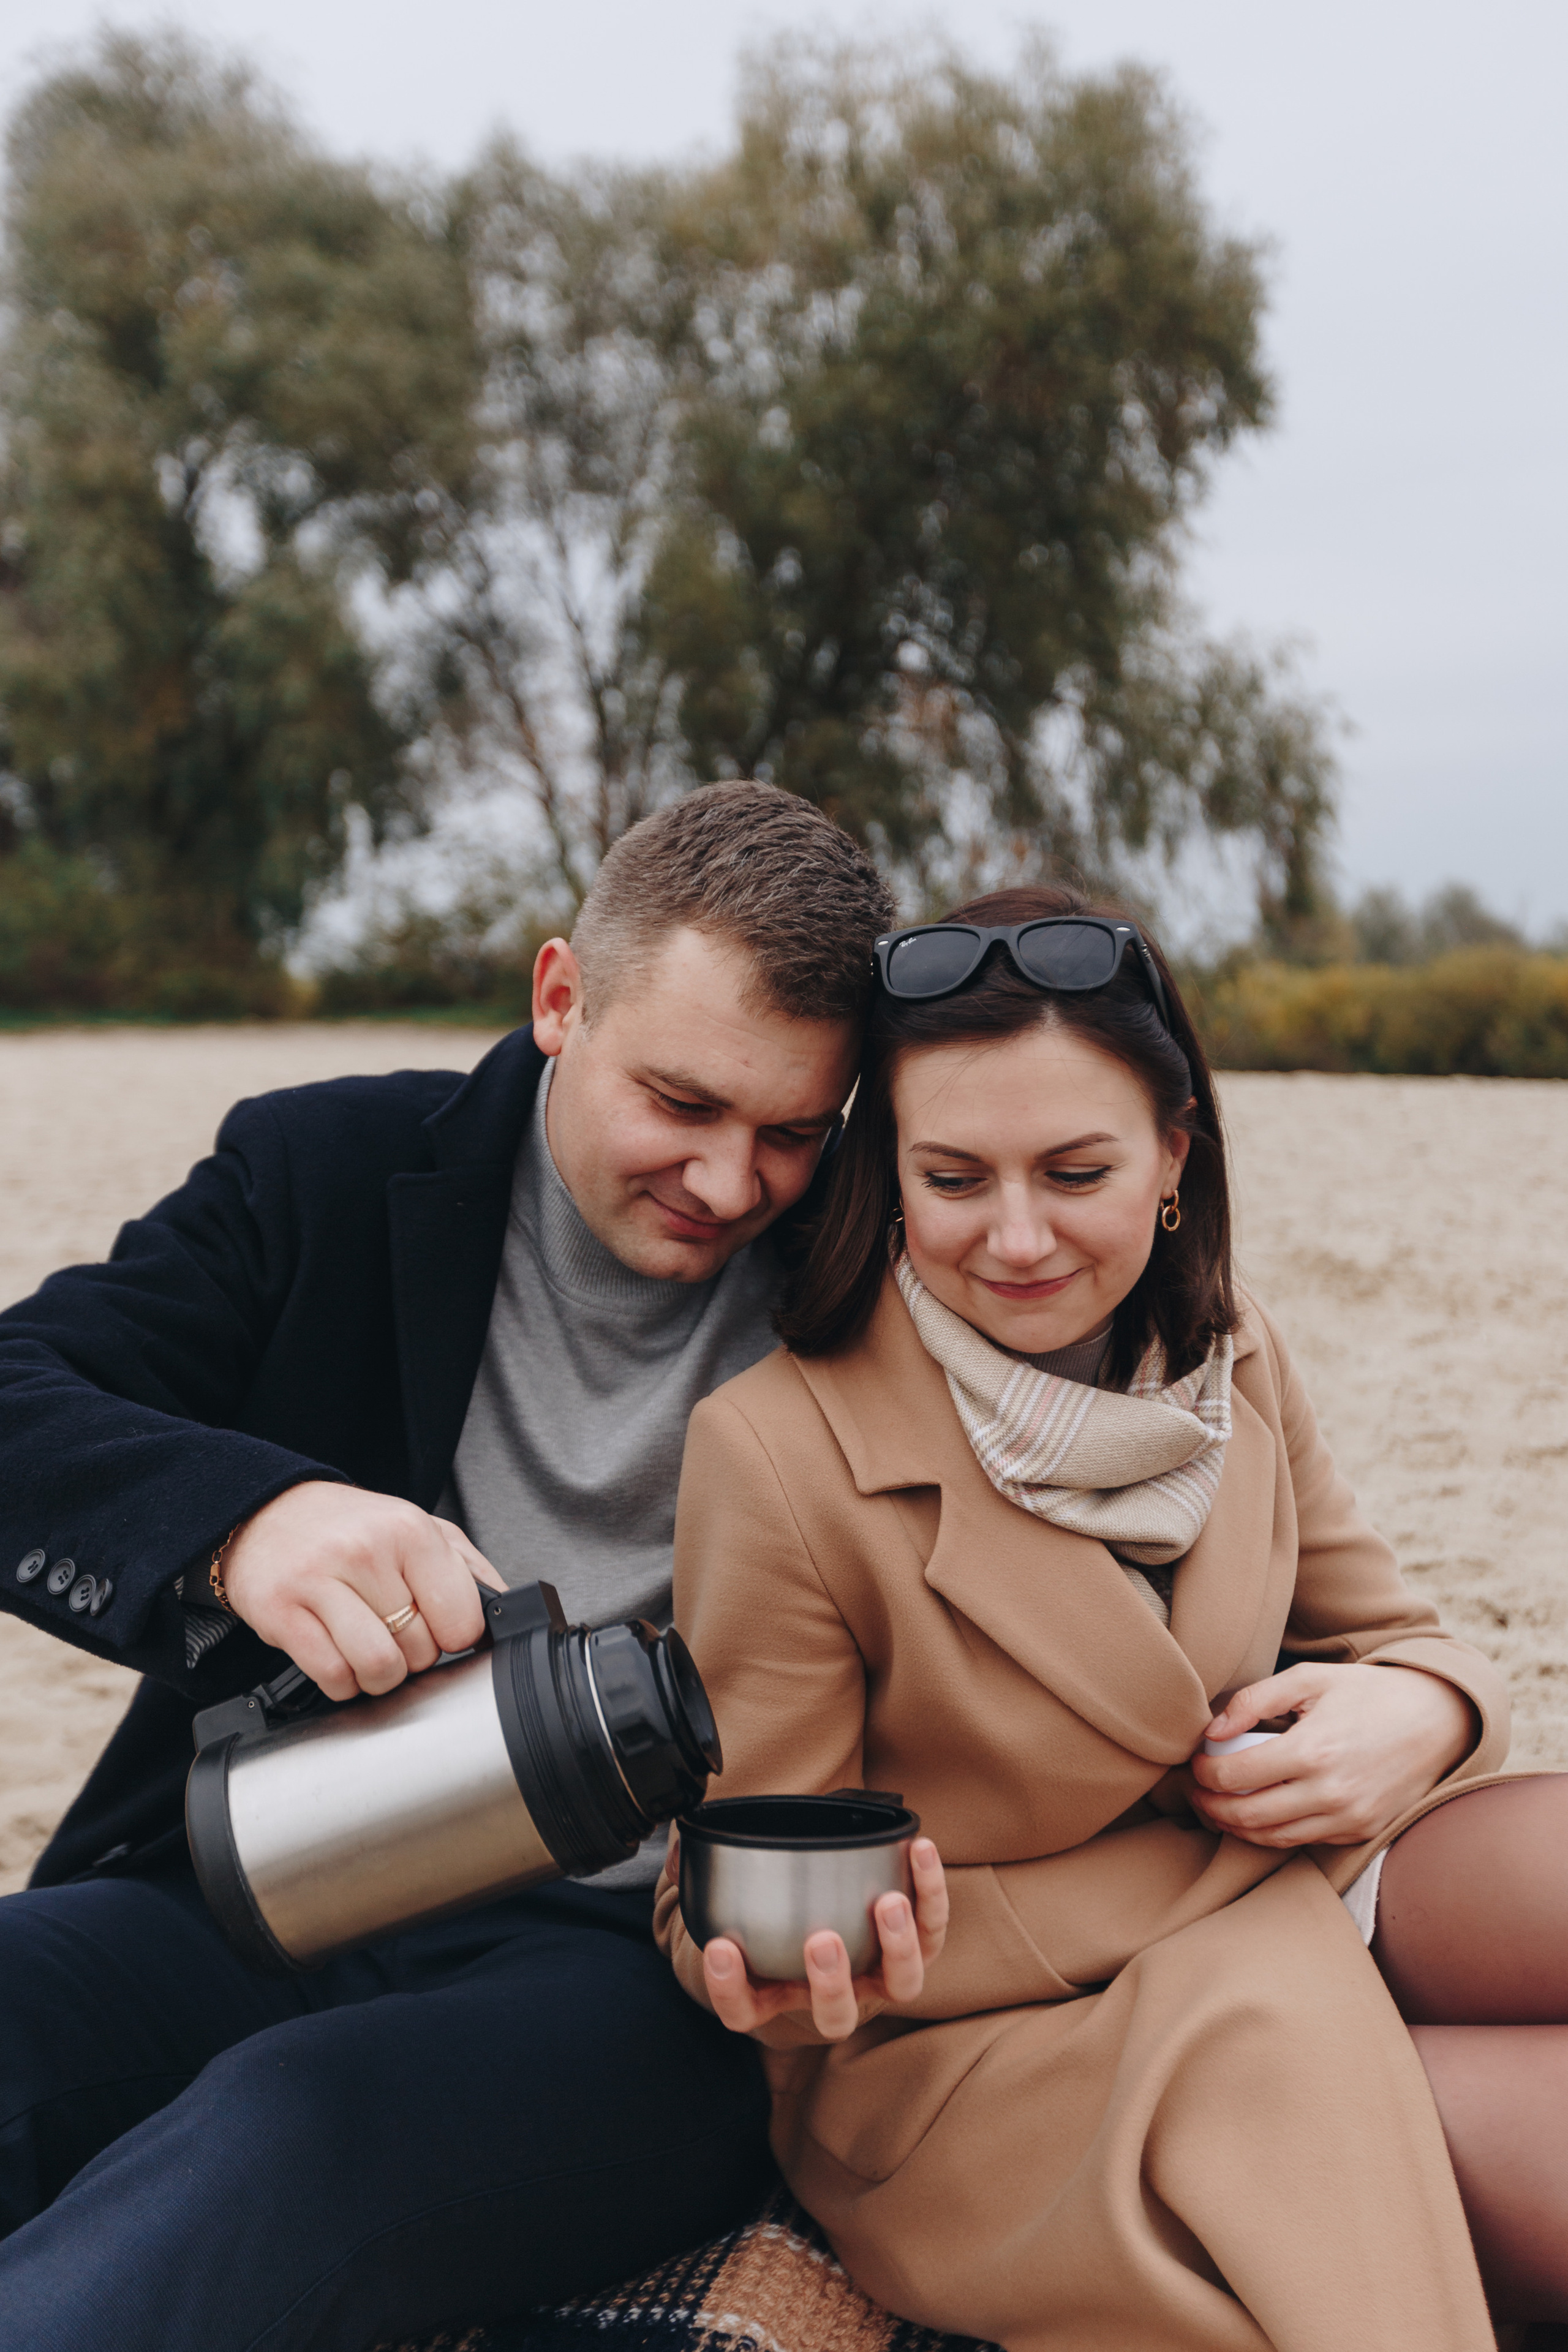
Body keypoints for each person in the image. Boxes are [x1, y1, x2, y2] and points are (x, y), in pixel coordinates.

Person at [0, 782, 893, 2352]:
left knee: (283, 2135)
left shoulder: (877, 1262)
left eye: (789, 1134)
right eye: (679, 1104)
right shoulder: (320, 1169)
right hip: (253, 1879)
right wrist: (244, 1522)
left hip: (633, 1982)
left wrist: (1410, 1699)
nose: (730, 1183)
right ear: (560, 998)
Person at [657, 882, 1568, 2352]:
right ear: (887, 1173)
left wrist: (1429, 1707)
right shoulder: (776, 1454)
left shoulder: (1228, 1343)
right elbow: (745, 1889)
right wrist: (768, 1963)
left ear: (1170, 1156)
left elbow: (1395, 1630)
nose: (1015, 1238)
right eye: (953, 1179)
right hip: (992, 2053)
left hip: (1289, 1891)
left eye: (1073, 1171)